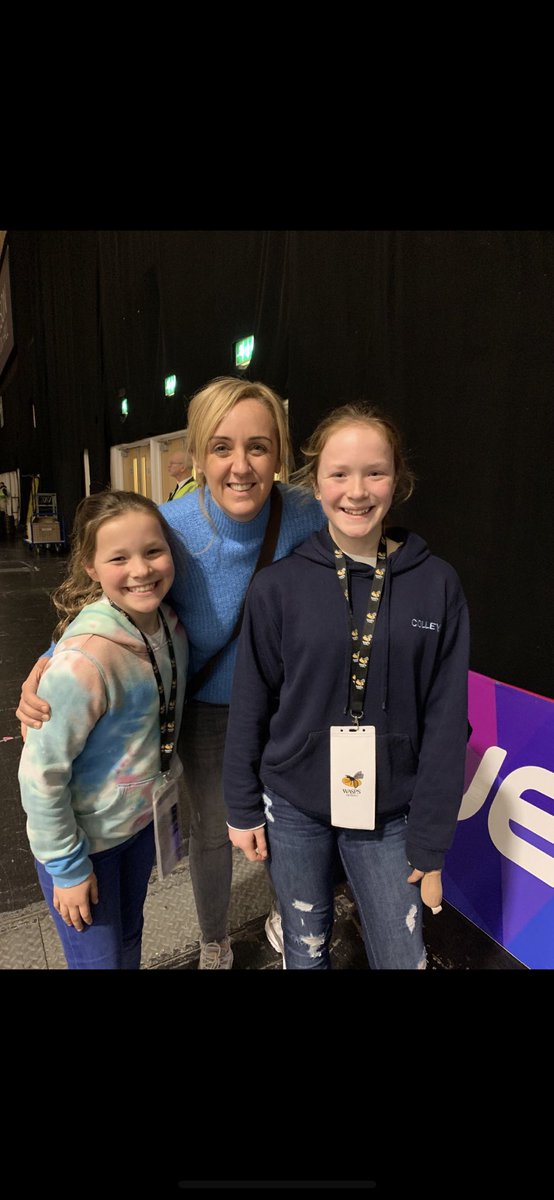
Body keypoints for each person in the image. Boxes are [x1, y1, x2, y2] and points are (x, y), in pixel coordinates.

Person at [16, 377, 325, 969]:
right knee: (211, 833)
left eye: (258, 446)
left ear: (280, 452)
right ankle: (214, 941)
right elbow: (114, 599)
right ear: (200, 451)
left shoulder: (306, 516)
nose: (241, 465)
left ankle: (294, 914)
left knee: (293, 821)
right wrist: (48, 667)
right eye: (222, 447)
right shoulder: (168, 528)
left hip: (286, 707)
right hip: (205, 710)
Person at [223, 402, 470, 969]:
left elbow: (447, 715)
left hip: (392, 811)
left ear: (397, 479)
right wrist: (241, 806)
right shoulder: (278, 586)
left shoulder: (436, 584)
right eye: (339, 474)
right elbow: (252, 702)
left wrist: (432, 839)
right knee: (304, 952)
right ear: (315, 481)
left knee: (402, 956)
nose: (356, 491)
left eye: (374, 472)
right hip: (294, 804)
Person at [17, 490, 188, 969]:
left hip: (136, 828)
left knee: (129, 940)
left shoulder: (170, 627)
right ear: (91, 567)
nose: (141, 570)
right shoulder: (84, 661)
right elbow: (40, 774)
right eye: (119, 558)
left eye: (153, 551)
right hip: (83, 846)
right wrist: (67, 868)